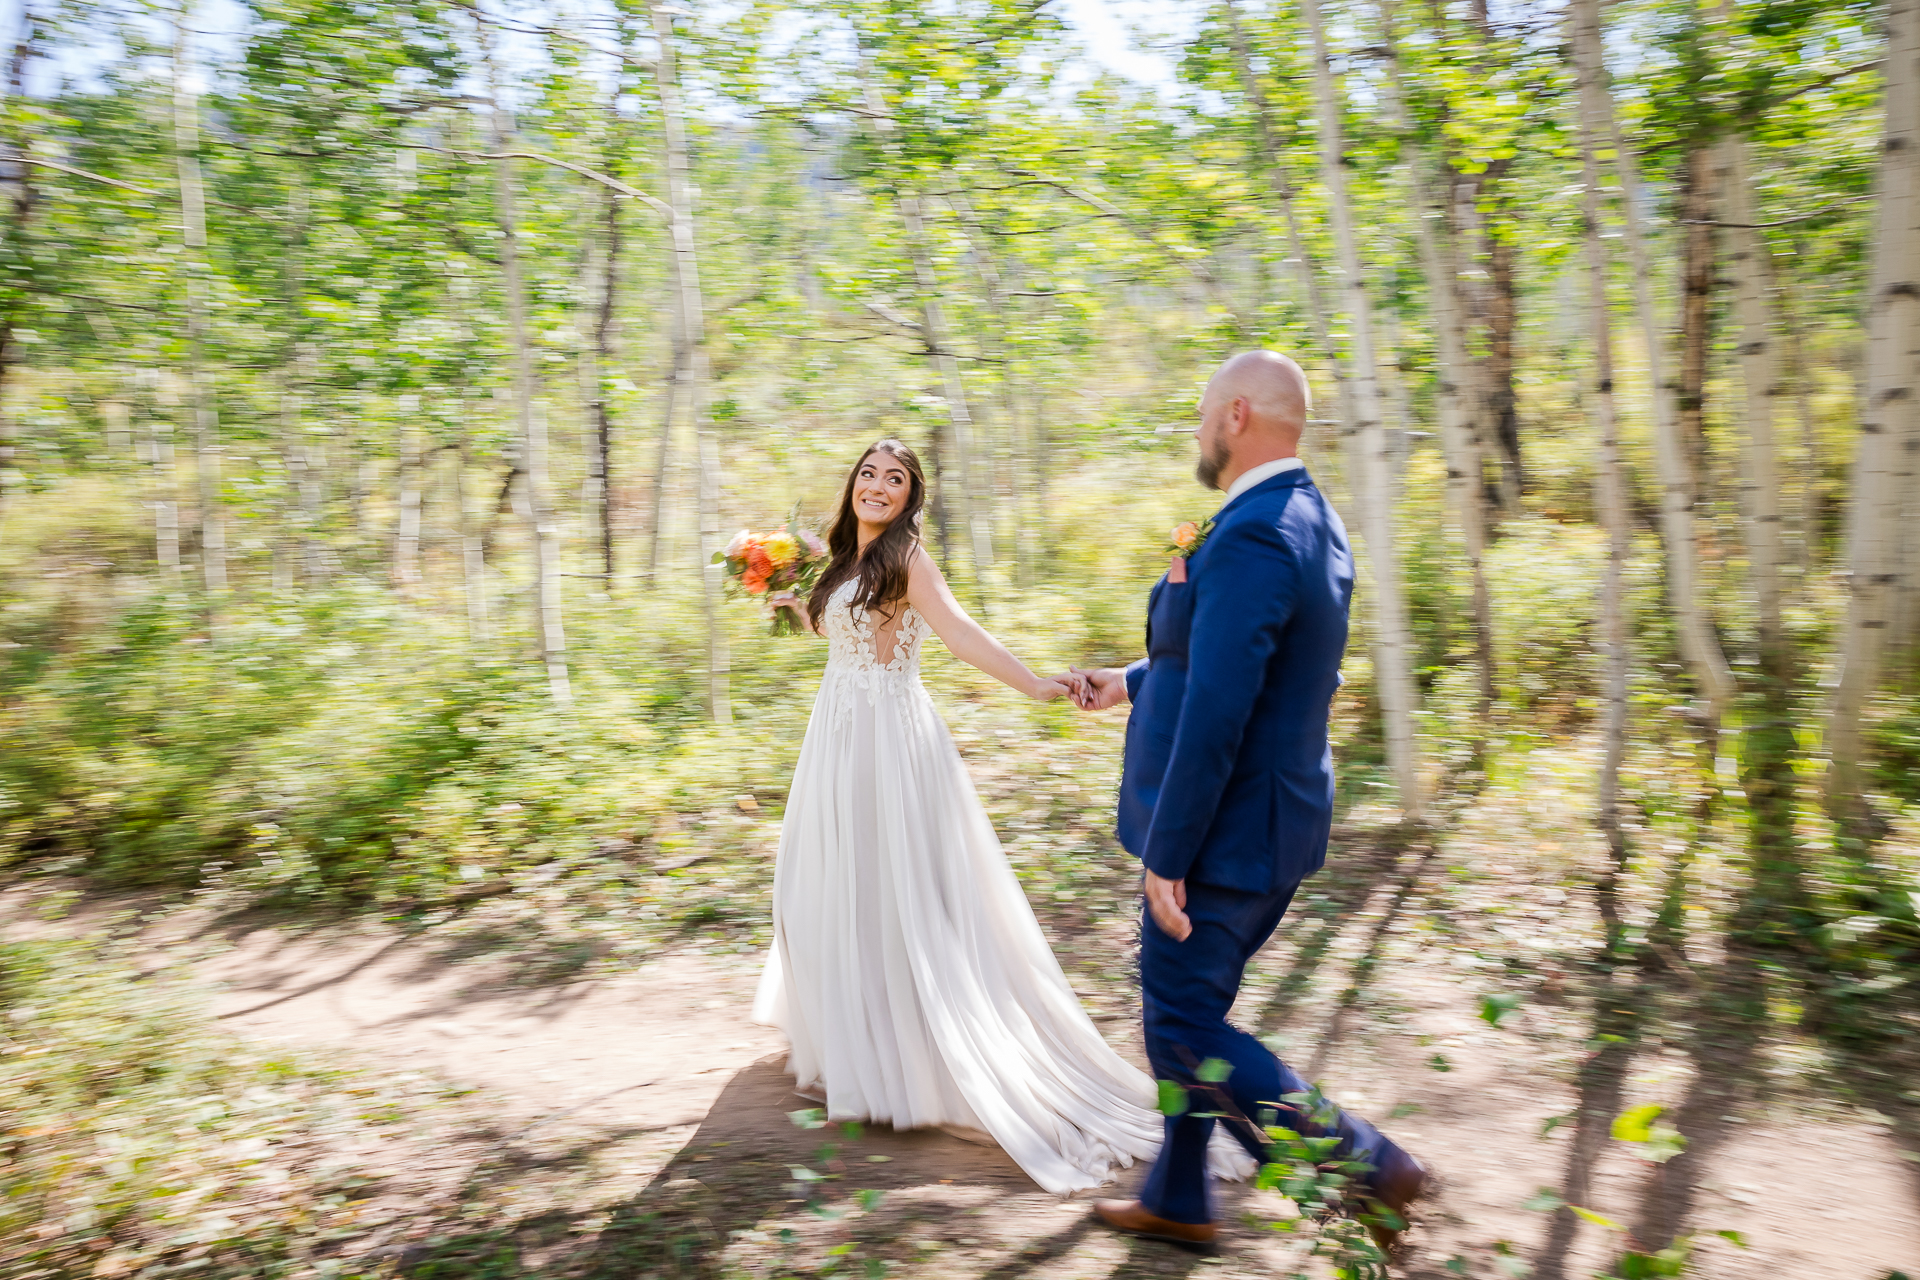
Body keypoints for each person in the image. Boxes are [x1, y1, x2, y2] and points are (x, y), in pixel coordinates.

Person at [752, 439, 1251, 1195]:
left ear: (910, 496)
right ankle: (859, 1045)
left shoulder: (908, 560)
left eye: (896, 480)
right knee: (824, 884)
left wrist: (1035, 685)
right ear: (851, 484)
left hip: (888, 742)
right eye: (869, 474)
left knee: (899, 893)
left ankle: (913, 1061)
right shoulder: (842, 559)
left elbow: (959, 634)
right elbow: (844, 632)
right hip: (835, 738)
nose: (879, 487)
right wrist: (797, 604)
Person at [1072, 351, 1430, 1250]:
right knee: (1183, 1009)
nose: (1197, 434)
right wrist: (1129, 678)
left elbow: (1222, 709)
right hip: (1273, 822)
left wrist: (1169, 853)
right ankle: (1182, 1197)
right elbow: (1241, 664)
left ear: (1235, 416)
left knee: (1184, 1023)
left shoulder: (1255, 532)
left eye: (1200, 416)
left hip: (1225, 834)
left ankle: (1365, 1163)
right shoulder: (1304, 517)